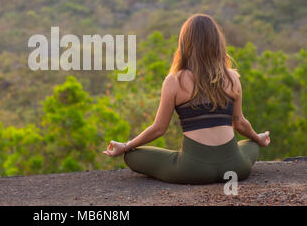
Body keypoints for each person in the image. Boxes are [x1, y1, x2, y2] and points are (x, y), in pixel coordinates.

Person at [102, 14, 271, 184]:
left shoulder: (174, 81)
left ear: (185, 44)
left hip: (192, 169)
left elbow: (159, 129)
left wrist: (125, 146)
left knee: (132, 156)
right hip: (235, 167)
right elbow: (240, 123)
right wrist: (258, 138)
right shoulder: (232, 77)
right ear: (217, 42)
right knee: (251, 144)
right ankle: (254, 143)